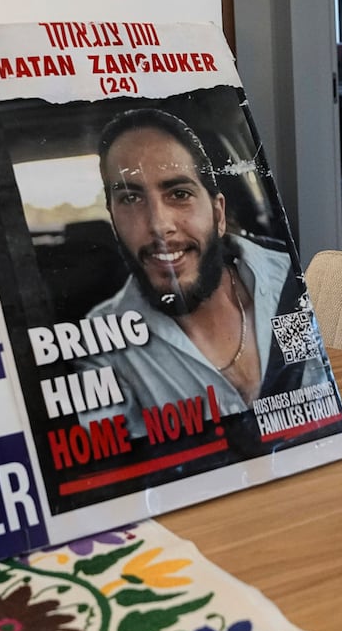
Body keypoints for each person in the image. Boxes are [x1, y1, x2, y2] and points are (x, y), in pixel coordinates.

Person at [76, 108, 324, 434]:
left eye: (179, 194)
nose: (159, 225)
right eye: (131, 198)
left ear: (218, 215)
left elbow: (317, 388)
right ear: (114, 222)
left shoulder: (283, 281)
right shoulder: (103, 344)